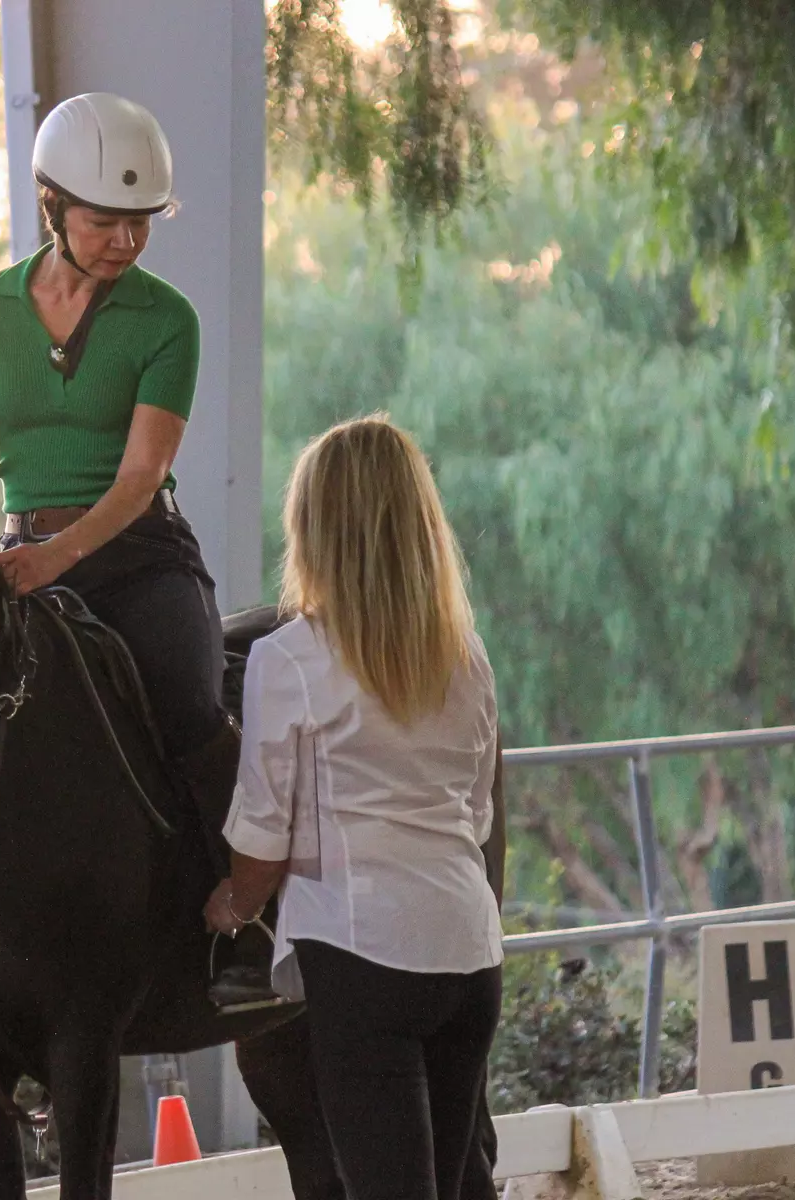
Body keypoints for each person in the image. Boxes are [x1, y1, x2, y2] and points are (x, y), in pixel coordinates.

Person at [0, 91, 277, 1030]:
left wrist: (52, 559)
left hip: (141, 553)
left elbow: (141, 476)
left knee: (190, 705)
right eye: (105, 220)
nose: (126, 241)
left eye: (141, 223)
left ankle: (245, 923)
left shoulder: (169, 320)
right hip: (20, 551)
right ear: (52, 205)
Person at [205, 414, 506, 1199]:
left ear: (314, 529)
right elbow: (477, 815)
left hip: (362, 954)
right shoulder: (465, 653)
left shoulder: (288, 659)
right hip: (469, 952)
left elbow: (263, 834)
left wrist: (234, 904)